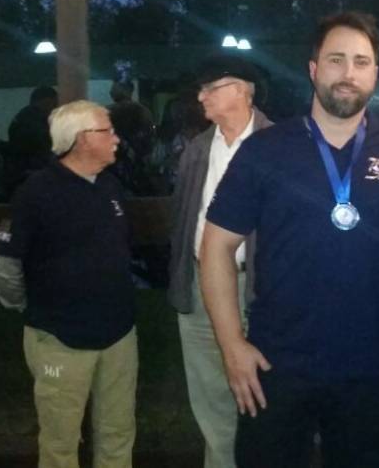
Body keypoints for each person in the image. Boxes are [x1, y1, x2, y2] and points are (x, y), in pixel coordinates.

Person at [199, 11, 379, 468]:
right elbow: (215, 247)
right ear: (313, 68)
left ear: (374, 74)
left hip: (371, 368)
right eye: (336, 59)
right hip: (276, 364)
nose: (348, 73)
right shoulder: (265, 150)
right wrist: (232, 345)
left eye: (361, 62)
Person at [0, 100, 137, 468]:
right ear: (82, 139)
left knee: (118, 432)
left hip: (119, 336)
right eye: (107, 131)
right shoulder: (37, 192)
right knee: (61, 441)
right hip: (60, 340)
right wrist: (25, 304)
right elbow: (1, 265)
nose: (116, 138)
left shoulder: (110, 185)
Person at [167, 55, 273, 468]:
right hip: (200, 288)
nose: (201, 97)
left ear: (243, 91)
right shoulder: (196, 150)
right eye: (200, 89)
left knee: (264, 397)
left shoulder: (279, 145)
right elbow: (182, 220)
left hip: (260, 290)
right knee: (211, 399)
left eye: (211, 88)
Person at [8, 85, 58, 187]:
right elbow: (42, 147)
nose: (54, 109)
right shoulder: (36, 121)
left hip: (23, 173)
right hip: (33, 173)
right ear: (46, 101)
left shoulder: (23, 118)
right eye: (54, 104)